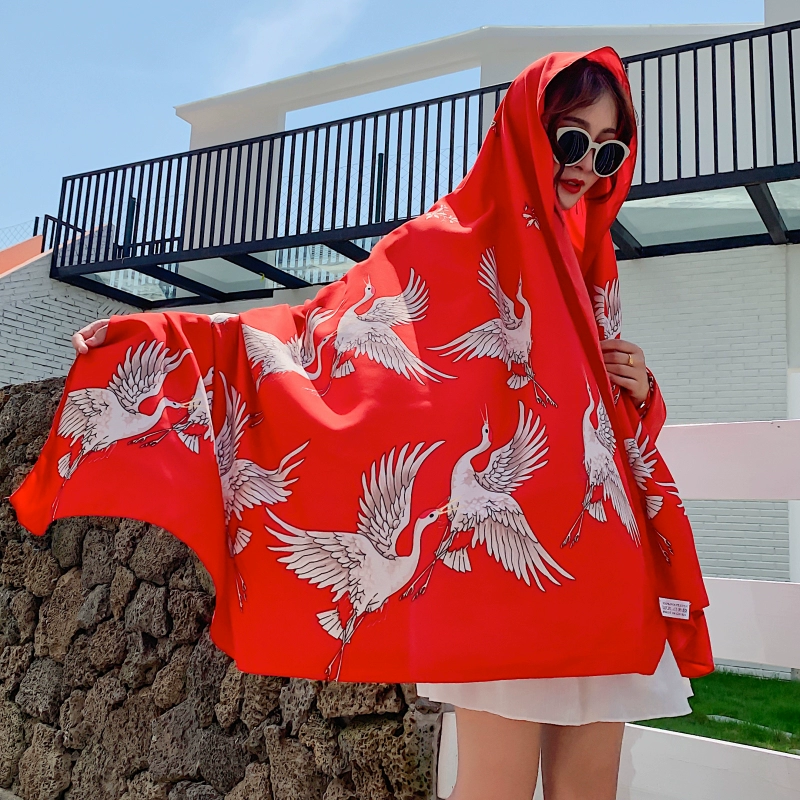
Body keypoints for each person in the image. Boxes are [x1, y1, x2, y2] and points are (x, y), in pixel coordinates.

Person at [45, 48, 709, 800]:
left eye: (610, 150)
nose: (588, 164)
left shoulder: (590, 267)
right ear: (529, 131)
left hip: (602, 563)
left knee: (590, 787)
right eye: (572, 139)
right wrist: (160, 334)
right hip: (504, 581)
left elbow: (602, 426)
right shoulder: (445, 242)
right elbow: (312, 338)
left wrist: (641, 389)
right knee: (495, 785)